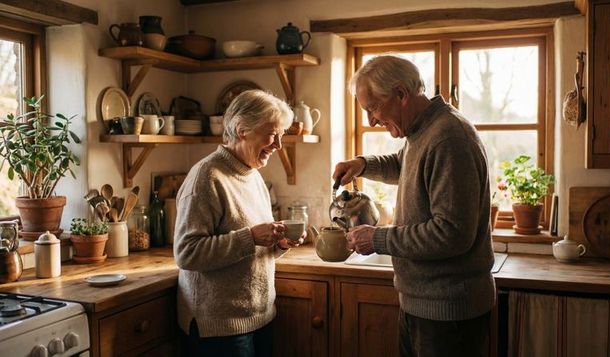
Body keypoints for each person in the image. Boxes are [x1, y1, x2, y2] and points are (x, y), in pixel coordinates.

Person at [333, 55, 496, 356]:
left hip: (448, 313)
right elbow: (404, 164)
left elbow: (451, 234)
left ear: (401, 94)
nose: (370, 120)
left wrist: (377, 238)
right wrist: (361, 164)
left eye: (373, 108)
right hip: (424, 305)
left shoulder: (448, 137)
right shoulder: (422, 129)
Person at [174, 90, 302, 356]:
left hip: (260, 317)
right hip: (219, 327)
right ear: (243, 130)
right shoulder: (206, 176)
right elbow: (187, 253)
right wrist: (251, 238)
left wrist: (278, 243)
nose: (279, 144)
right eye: (273, 134)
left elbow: (252, 245)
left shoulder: (252, 175)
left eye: (282, 135)